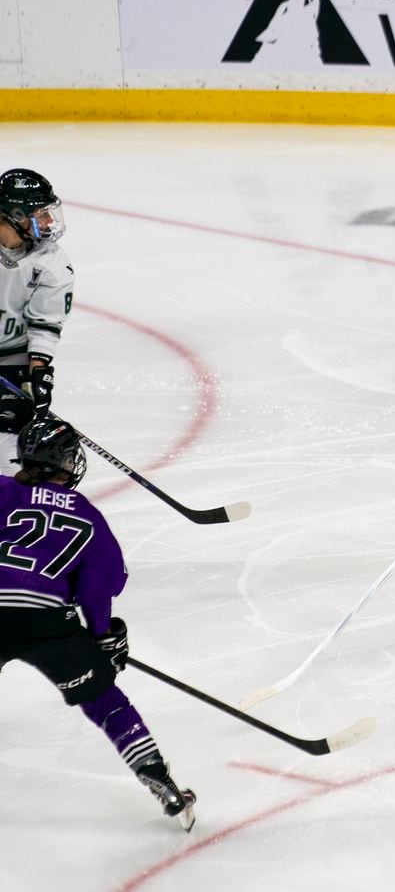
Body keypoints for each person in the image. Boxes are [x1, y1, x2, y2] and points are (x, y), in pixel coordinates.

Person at [0, 418, 195, 828]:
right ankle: (157, 776)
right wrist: (104, 639)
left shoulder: (3, 489)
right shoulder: (87, 514)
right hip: (48, 622)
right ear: (63, 461)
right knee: (104, 700)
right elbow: (97, 591)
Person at [0, 169, 73, 463]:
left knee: (15, 422)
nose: (48, 221)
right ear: (16, 214)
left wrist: (38, 372)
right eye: (41, 213)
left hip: (14, 355)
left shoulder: (51, 259)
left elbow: (45, 323)